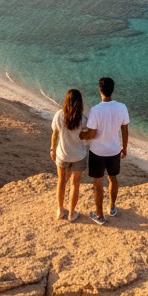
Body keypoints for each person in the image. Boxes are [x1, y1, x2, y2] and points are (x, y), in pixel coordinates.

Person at [85, 76, 129, 225]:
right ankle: (112, 207)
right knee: (113, 178)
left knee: (97, 183)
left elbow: (91, 133)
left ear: (99, 89)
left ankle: (100, 215)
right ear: (112, 90)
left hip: (97, 151)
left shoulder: (95, 110)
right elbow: (125, 129)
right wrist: (125, 147)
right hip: (114, 150)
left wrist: (80, 135)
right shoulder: (122, 107)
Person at [50, 88, 89, 221]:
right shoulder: (83, 119)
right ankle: (72, 214)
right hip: (78, 155)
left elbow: (54, 134)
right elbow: (87, 137)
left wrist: (52, 149)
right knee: (75, 184)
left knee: (61, 182)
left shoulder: (59, 115)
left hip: (62, 154)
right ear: (80, 102)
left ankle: (60, 210)